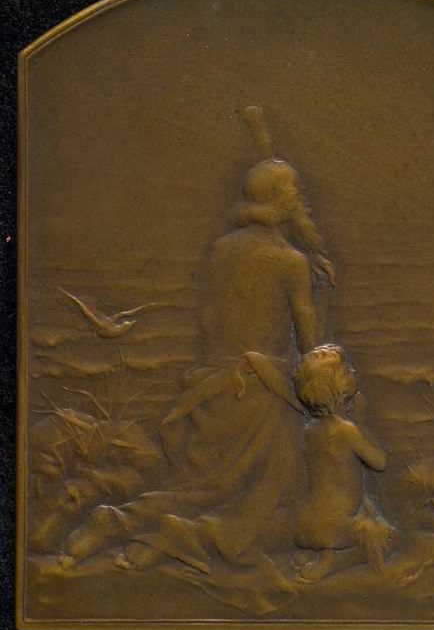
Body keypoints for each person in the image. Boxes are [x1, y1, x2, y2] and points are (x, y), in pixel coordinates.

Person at [59, 158, 335, 593]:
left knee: (202, 489)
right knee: (262, 497)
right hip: (263, 396)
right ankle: (165, 535)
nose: (300, 197)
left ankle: (127, 527)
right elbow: (311, 344)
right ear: (278, 200)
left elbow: (215, 320)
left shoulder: (223, 250)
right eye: (293, 190)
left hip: (213, 386)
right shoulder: (290, 262)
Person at [293, 344, 391, 583]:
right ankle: (334, 561)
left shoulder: (310, 431)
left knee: (367, 514)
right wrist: (362, 425)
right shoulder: (346, 430)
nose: (353, 372)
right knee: (384, 538)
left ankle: (319, 557)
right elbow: (379, 462)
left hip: (307, 523)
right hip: (337, 526)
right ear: (332, 388)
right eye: (346, 371)